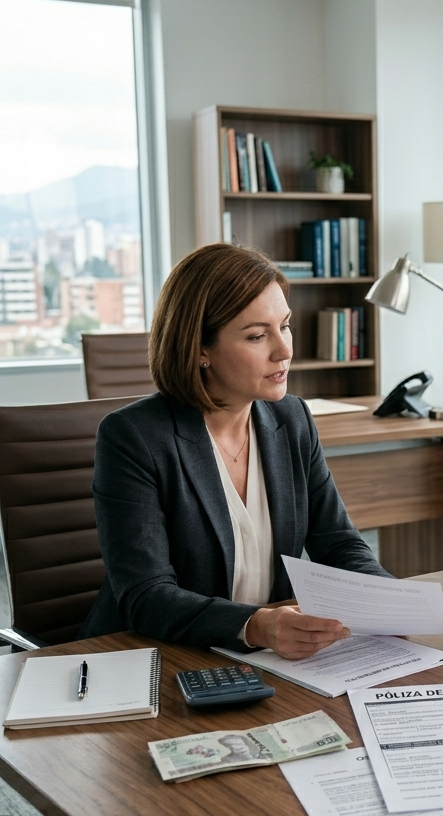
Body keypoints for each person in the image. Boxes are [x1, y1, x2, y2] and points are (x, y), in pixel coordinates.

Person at [79, 244, 391, 658]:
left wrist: (389, 602)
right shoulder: (133, 437)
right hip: (154, 659)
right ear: (200, 349)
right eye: (257, 336)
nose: (284, 350)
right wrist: (253, 625)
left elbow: (339, 545)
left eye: (285, 326)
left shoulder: (291, 418)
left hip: (264, 658)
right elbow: (146, 595)